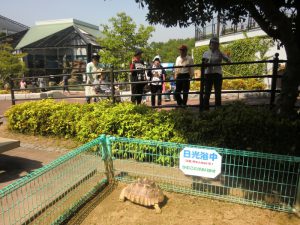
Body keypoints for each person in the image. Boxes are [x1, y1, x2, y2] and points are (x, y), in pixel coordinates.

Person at [202, 37, 231, 110]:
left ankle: (218, 109)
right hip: (208, 74)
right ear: (210, 44)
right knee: (207, 93)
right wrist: (205, 63)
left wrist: (227, 57)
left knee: (217, 93)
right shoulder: (205, 53)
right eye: (212, 43)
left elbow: (229, 61)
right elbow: (203, 65)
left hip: (217, 74)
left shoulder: (220, 53)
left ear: (218, 45)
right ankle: (206, 110)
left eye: (216, 43)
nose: (214, 45)